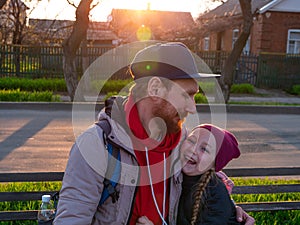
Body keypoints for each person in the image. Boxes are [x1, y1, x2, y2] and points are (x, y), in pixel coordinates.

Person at [53, 42, 254, 225]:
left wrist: (228, 212)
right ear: (155, 88)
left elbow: (204, 178)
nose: (192, 108)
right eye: (187, 95)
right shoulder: (98, 144)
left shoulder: (182, 141)